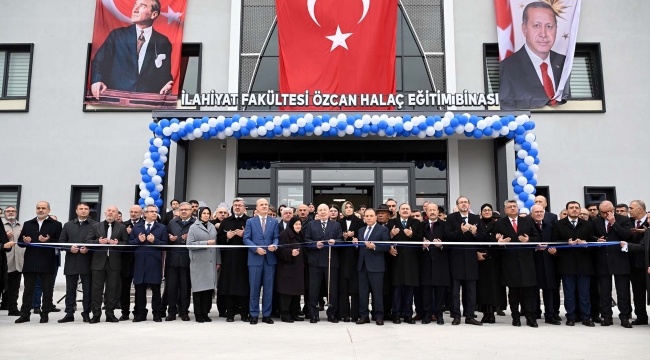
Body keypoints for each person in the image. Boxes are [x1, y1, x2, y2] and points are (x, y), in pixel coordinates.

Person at [89, 0, 173, 99]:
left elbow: (164, 73)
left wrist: (168, 84)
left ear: (154, 14)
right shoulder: (117, 35)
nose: (135, 9)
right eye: (135, 5)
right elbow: (99, 61)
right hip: (116, 100)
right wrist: (96, 81)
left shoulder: (163, 41)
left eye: (142, 6)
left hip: (145, 102)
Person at [498, 1, 568, 110]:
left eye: (549, 26)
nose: (543, 34)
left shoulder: (565, 62)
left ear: (556, 29)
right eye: (537, 26)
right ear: (524, 29)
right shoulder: (507, 67)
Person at [493, 200, 540, 327]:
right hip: (509, 262)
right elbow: (492, 239)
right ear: (505, 210)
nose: (513, 208)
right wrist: (499, 241)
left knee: (528, 292)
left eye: (514, 206)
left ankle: (530, 317)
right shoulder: (500, 223)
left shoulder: (527, 221)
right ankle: (515, 317)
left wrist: (528, 239)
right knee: (513, 292)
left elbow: (537, 237)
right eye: (510, 207)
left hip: (526, 262)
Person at [15, 202, 62, 324]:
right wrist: (25, 240)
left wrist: (49, 240)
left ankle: (44, 314)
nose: (40, 210)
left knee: (47, 291)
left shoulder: (56, 224)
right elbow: (20, 242)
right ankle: (25, 314)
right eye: (38, 208)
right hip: (30, 261)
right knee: (28, 290)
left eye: (43, 208)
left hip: (48, 261)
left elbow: (60, 242)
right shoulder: (28, 223)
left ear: (49, 210)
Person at [552, 201, 595, 327]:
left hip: (584, 264)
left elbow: (593, 242)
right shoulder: (558, 224)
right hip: (567, 264)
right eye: (572, 208)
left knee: (584, 293)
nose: (575, 210)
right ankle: (571, 316)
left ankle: (586, 317)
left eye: (577, 208)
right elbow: (554, 241)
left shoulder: (587, 224)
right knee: (569, 293)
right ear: (567, 210)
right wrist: (567, 243)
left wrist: (585, 244)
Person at [592, 201, 633, 328]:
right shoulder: (596, 221)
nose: (605, 215)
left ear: (613, 210)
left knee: (622, 291)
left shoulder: (623, 219)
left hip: (620, 260)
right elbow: (591, 236)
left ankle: (624, 317)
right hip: (603, 260)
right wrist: (596, 240)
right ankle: (607, 316)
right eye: (602, 212)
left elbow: (627, 235)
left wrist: (613, 222)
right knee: (604, 291)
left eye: (607, 212)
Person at [445, 196, 485, 326]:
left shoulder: (476, 219)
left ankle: (470, 316)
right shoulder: (451, 218)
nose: (463, 204)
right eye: (461, 202)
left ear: (469, 204)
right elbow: (447, 236)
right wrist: (460, 231)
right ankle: (456, 316)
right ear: (457, 205)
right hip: (456, 259)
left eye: (465, 202)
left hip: (471, 260)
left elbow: (483, 238)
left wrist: (475, 233)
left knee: (471, 291)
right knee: (455, 291)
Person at [85, 206, 128, 323]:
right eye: (108, 211)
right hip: (98, 263)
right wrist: (97, 242)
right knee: (96, 290)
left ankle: (110, 314)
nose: (110, 212)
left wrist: (118, 243)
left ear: (116, 214)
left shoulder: (121, 227)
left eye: (113, 211)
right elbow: (87, 242)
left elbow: (126, 243)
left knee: (112, 290)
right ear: (105, 213)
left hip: (114, 263)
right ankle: (96, 315)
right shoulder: (95, 226)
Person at [128, 204, 168, 322]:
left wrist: (154, 240)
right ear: (145, 214)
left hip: (154, 262)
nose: (154, 213)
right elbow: (130, 244)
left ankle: (157, 313)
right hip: (140, 262)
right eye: (152, 211)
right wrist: (138, 240)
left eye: (156, 212)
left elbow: (165, 245)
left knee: (156, 289)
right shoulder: (137, 227)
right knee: (139, 289)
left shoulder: (161, 227)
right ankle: (140, 313)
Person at [243, 198, 279, 325]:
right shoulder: (250, 221)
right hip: (255, 260)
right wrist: (255, 249)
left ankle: (267, 315)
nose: (264, 206)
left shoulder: (274, 221)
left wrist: (274, 245)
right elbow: (246, 238)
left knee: (268, 290)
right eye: (261, 205)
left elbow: (276, 237)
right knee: (254, 289)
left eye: (266, 205)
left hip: (269, 260)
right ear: (256, 208)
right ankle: (253, 314)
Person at [57, 203, 95, 323]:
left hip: (87, 261)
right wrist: (69, 249)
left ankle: (86, 313)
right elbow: (61, 242)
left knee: (88, 290)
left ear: (89, 211)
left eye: (86, 209)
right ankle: (69, 313)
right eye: (81, 209)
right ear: (76, 211)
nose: (83, 211)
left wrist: (89, 249)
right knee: (70, 289)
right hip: (71, 261)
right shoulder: (68, 225)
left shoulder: (95, 225)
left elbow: (97, 242)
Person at [304, 204, 342, 323]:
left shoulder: (336, 225)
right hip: (315, 262)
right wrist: (315, 244)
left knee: (332, 289)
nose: (322, 212)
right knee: (313, 289)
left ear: (329, 212)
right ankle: (313, 314)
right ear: (317, 212)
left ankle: (331, 313)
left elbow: (341, 240)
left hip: (331, 262)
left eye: (325, 210)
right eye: (320, 210)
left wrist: (335, 241)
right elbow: (306, 240)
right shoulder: (311, 224)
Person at [217, 198, 251, 322]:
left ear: (244, 208)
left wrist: (244, 234)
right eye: (235, 205)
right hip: (229, 259)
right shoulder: (226, 221)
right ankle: (230, 313)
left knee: (244, 286)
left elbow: (255, 238)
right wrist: (226, 236)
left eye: (240, 205)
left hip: (245, 258)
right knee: (229, 286)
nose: (237, 207)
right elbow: (219, 239)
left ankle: (244, 313)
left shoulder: (249, 221)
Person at [387, 203, 420, 324]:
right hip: (397, 259)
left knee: (409, 289)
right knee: (397, 288)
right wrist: (391, 235)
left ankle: (408, 314)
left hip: (411, 260)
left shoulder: (416, 223)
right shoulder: (392, 222)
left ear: (410, 211)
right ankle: (396, 314)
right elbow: (385, 239)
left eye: (407, 209)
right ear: (399, 211)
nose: (405, 210)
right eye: (403, 209)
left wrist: (412, 235)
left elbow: (421, 238)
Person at [187, 207, 221, 323]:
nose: (206, 215)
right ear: (199, 214)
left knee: (208, 290)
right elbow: (189, 244)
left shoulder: (212, 227)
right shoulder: (193, 227)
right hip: (199, 262)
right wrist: (205, 243)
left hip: (211, 262)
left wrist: (218, 261)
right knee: (198, 290)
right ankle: (198, 314)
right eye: (204, 213)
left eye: (208, 213)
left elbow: (217, 247)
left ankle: (206, 313)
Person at [356, 208, 390, 326]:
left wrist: (374, 247)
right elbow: (361, 247)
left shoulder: (383, 230)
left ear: (376, 217)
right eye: (367, 216)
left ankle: (379, 316)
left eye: (371, 216)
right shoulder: (361, 230)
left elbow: (386, 246)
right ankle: (364, 316)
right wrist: (356, 244)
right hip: (362, 265)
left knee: (377, 292)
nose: (369, 218)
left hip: (376, 266)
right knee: (363, 292)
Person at [419, 203, 449, 325]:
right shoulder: (421, 225)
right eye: (429, 210)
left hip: (440, 261)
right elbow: (416, 240)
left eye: (434, 210)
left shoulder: (445, 225)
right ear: (426, 212)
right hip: (425, 261)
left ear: (438, 212)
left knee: (439, 290)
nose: (432, 212)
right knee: (426, 290)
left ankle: (439, 314)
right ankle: (426, 314)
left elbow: (450, 241)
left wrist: (442, 245)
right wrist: (422, 245)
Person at [530, 204, 561, 325]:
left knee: (549, 289)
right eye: (536, 212)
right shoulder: (528, 225)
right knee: (533, 290)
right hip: (534, 261)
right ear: (531, 214)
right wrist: (535, 248)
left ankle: (550, 315)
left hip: (548, 261)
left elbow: (555, 241)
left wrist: (555, 250)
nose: (539, 214)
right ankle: (533, 313)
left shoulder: (550, 226)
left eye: (541, 211)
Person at [476, 203, 506, 324]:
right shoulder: (477, 224)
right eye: (485, 210)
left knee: (494, 288)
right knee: (483, 288)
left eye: (489, 210)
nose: (487, 211)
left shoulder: (497, 224)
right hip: (481, 260)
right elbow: (477, 239)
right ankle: (485, 313)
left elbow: (498, 239)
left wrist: (495, 239)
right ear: (481, 212)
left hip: (494, 260)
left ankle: (492, 313)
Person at [165, 202, 194, 321]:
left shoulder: (195, 224)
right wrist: (169, 238)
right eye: (181, 209)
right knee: (171, 287)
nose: (183, 211)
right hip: (173, 259)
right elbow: (166, 236)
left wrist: (190, 238)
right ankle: (171, 311)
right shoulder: (172, 222)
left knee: (185, 287)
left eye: (186, 209)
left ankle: (184, 311)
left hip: (188, 260)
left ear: (191, 211)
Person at [275, 217, 305, 323]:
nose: (298, 226)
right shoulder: (285, 234)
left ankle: (294, 313)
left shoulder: (300, 234)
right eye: (296, 224)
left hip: (297, 269)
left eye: (299, 224)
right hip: (287, 269)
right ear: (291, 224)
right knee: (286, 293)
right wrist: (290, 253)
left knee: (296, 293)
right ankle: (285, 314)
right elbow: (279, 250)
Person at [338, 201, 363, 323]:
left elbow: (363, 237)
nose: (348, 209)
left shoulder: (360, 222)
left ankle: (355, 314)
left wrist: (355, 238)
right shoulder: (339, 223)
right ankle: (345, 314)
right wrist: (344, 237)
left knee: (355, 288)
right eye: (346, 207)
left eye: (350, 207)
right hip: (342, 259)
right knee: (343, 288)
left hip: (355, 258)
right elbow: (336, 238)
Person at [119, 205, 142, 321]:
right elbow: (121, 241)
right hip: (126, 261)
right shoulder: (123, 225)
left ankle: (137, 311)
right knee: (124, 288)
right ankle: (125, 312)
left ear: (141, 213)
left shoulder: (144, 224)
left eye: (136, 212)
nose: (133, 214)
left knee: (139, 288)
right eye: (131, 212)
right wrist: (128, 234)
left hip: (139, 260)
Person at [627, 200, 648, 325]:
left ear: (640, 209)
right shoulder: (628, 223)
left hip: (647, 263)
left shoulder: (648, 222)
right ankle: (641, 317)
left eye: (631, 208)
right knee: (638, 292)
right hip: (634, 264)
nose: (629, 210)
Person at [2, 206, 24, 316]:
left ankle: (13, 308)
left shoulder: (22, 226)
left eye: (13, 211)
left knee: (14, 287)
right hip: (4, 260)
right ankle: (3, 304)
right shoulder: (1, 225)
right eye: (8, 211)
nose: (11, 212)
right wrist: (5, 236)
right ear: (4, 213)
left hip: (18, 260)